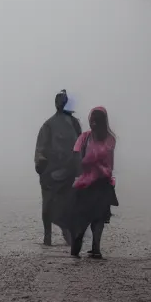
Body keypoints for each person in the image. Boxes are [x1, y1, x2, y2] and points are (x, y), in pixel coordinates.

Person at [66, 106, 118, 259]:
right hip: (94, 183)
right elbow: (109, 163)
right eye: (91, 121)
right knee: (91, 217)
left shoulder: (97, 138)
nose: (92, 124)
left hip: (93, 183)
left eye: (94, 121)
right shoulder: (97, 138)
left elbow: (77, 158)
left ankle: (88, 245)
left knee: (91, 217)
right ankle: (87, 246)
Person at [34, 90, 82, 246]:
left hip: (69, 172)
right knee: (48, 204)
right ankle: (47, 236)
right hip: (51, 172)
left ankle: (66, 231)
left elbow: (80, 146)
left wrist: (81, 170)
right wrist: (41, 163)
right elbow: (40, 148)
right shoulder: (48, 125)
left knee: (69, 205)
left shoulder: (74, 123)